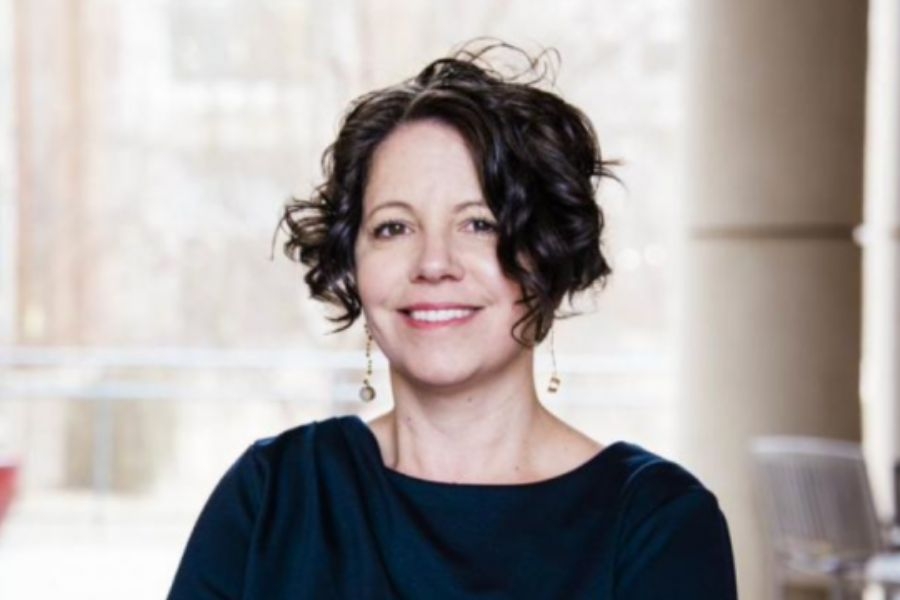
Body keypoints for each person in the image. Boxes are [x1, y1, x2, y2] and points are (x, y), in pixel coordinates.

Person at [168, 43, 738, 599]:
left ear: (547, 253)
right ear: (353, 263)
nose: (434, 263)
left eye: (479, 224)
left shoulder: (655, 523)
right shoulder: (274, 494)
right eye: (394, 227)